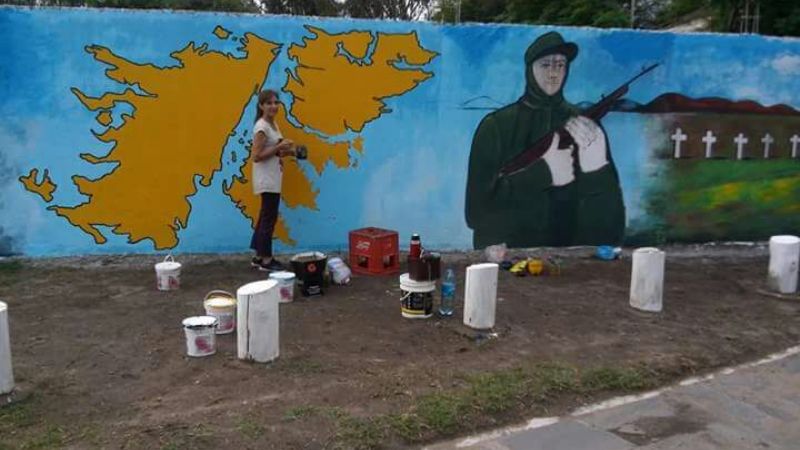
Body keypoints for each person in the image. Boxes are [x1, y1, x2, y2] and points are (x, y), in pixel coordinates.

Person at [465, 31, 625, 249]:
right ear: (530, 69)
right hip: (508, 260)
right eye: (546, 65)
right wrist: (544, 173)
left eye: (560, 65)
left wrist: (596, 168)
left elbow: (612, 232)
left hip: (571, 265)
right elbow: (476, 214)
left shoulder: (586, 128)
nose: (553, 73)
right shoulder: (495, 126)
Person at [250, 89, 296, 271]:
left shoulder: (273, 125)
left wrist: (288, 151)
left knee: (265, 216)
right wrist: (279, 146)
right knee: (269, 218)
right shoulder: (262, 127)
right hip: (266, 179)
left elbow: (274, 151)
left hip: (273, 177)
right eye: (269, 103)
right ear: (261, 106)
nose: (273, 106)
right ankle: (267, 260)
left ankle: (259, 256)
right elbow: (256, 156)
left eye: (276, 103)